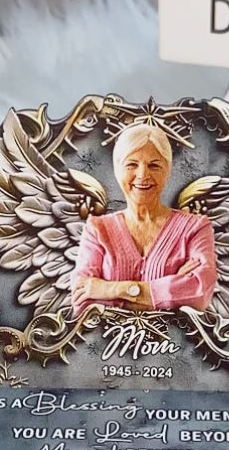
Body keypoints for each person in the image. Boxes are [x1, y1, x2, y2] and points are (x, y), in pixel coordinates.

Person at [70, 122, 217, 315]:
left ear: (168, 171)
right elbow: (82, 302)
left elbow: (199, 291)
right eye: (132, 164)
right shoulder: (97, 228)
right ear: (117, 169)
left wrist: (109, 290)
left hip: (174, 336)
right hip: (107, 336)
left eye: (154, 165)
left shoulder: (195, 228)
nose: (142, 175)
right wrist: (170, 293)